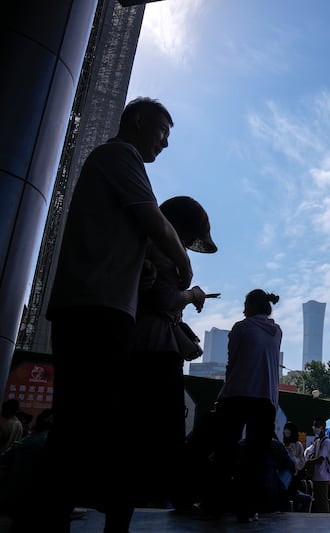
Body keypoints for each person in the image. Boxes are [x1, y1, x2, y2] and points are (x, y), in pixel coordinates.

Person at [26, 97, 191, 533]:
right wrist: (181, 263)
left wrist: (145, 264)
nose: (165, 143)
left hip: (93, 305)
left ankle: (55, 513)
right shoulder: (120, 155)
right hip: (98, 310)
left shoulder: (112, 163)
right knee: (100, 420)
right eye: (162, 131)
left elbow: (117, 231)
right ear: (137, 122)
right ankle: (72, 516)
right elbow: (154, 221)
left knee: (81, 419)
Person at [128, 195, 217, 509]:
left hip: (139, 343)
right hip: (155, 347)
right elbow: (166, 301)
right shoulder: (163, 251)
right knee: (162, 428)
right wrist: (191, 294)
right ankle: (155, 497)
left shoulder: (145, 245)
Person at [207, 289, 282, 523]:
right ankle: (247, 508)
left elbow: (233, 364)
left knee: (225, 453)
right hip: (265, 398)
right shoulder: (277, 331)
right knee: (256, 457)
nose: (242, 310)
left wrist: (223, 393)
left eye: (245, 305)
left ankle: (217, 504)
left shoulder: (241, 328)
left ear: (251, 306)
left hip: (236, 395)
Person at [305, 418, 330, 512]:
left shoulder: (327, 442)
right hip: (317, 476)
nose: (314, 428)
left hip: (323, 477)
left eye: (316, 426)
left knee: (323, 501)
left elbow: (321, 459)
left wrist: (309, 462)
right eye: (314, 426)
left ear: (322, 428)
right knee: (318, 501)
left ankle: (326, 521)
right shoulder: (318, 441)